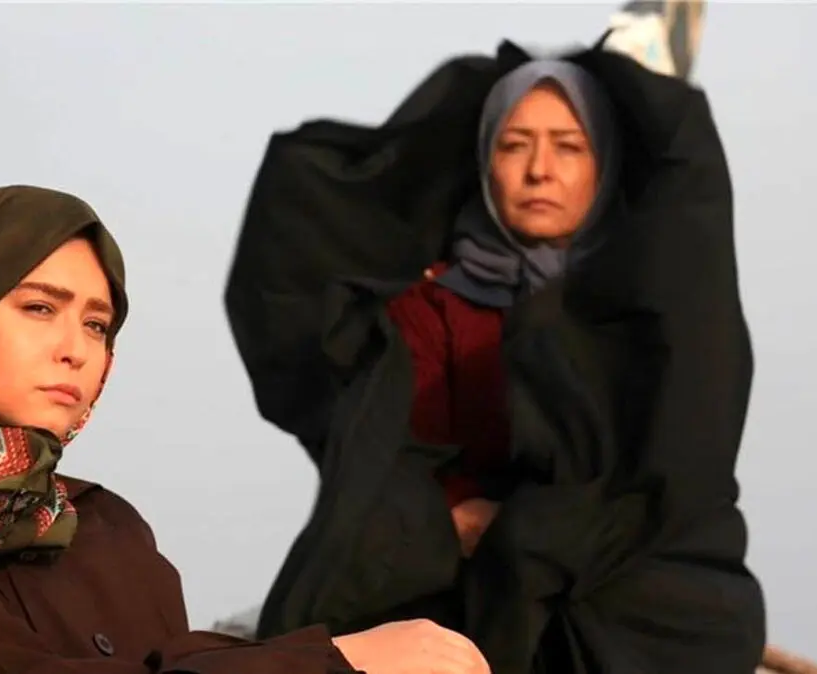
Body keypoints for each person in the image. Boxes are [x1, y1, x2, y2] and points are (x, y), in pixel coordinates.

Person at [0, 185, 492, 674]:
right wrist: (336, 662)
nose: (75, 348)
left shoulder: (104, 529)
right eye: (39, 308)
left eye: (97, 324)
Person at [225, 34, 765, 674]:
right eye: (514, 145)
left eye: (569, 146)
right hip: (455, 578)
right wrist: (453, 516)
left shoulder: (655, 315)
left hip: (620, 579)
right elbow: (389, 461)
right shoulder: (430, 307)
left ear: (607, 163)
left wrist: (544, 527)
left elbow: (678, 469)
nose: (540, 170)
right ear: (485, 160)